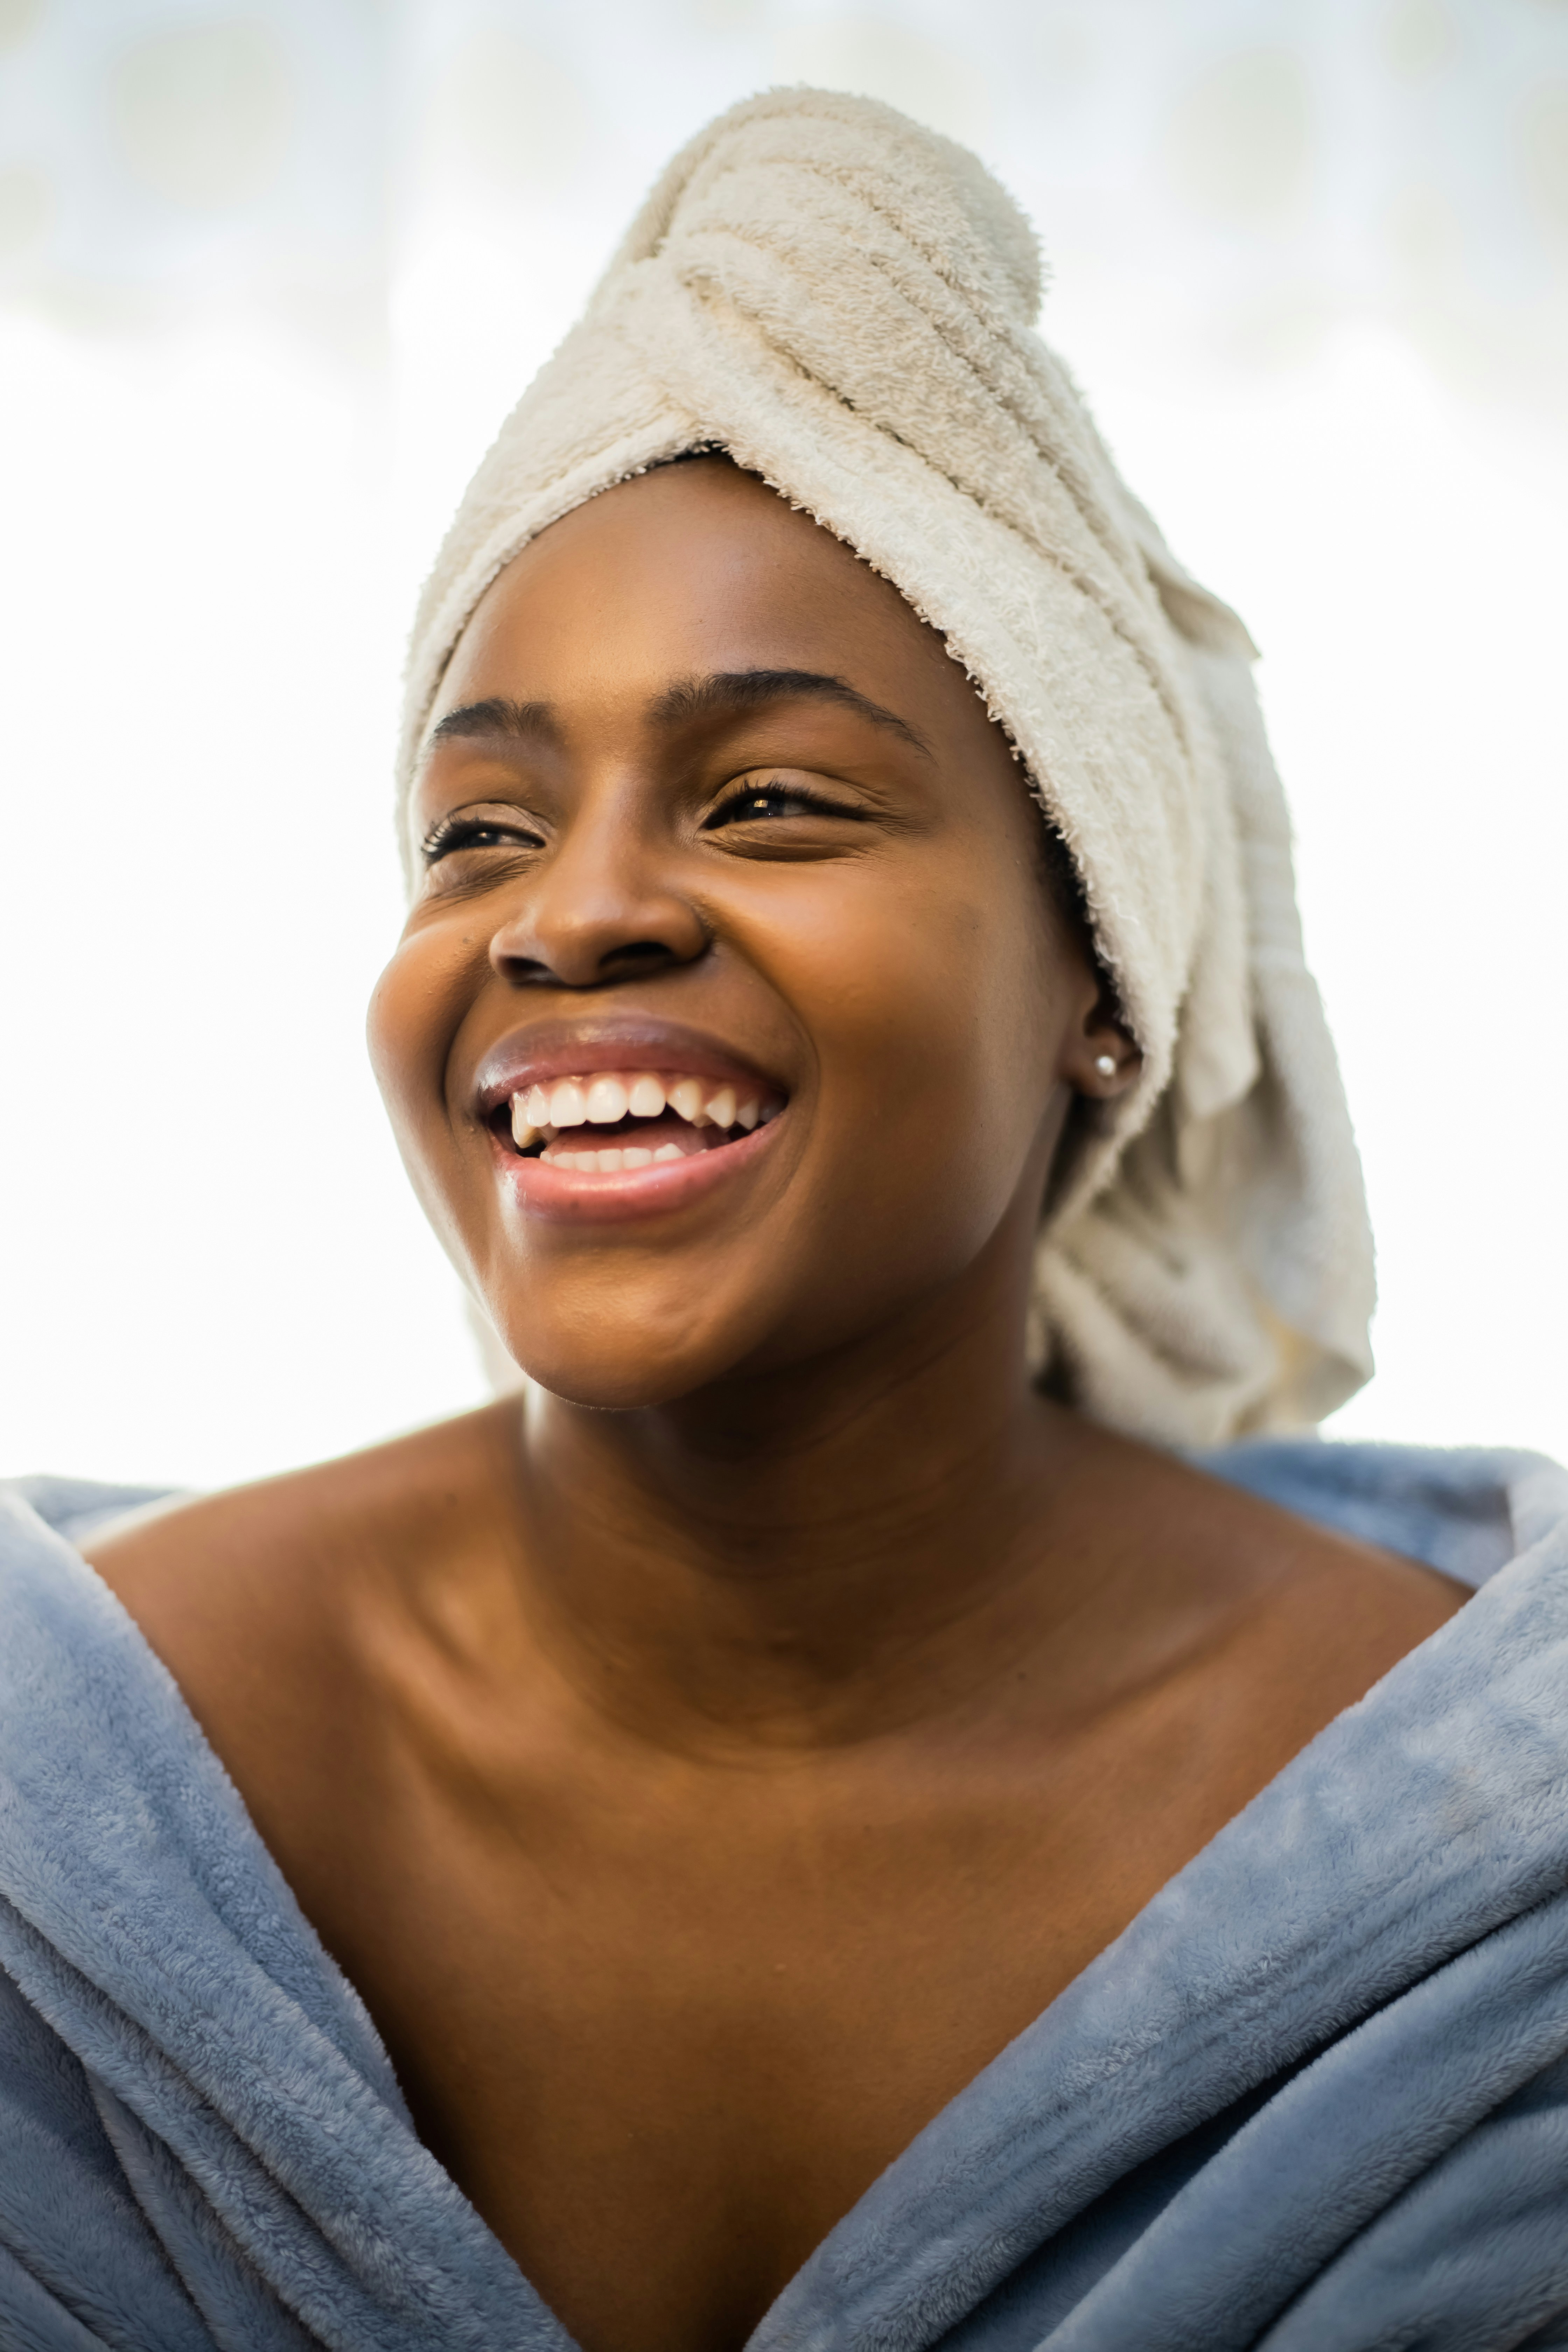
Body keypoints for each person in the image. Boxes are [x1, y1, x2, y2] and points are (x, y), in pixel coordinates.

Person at [3, 89, 1566, 2352]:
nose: (582, 911)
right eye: (480, 829)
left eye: (771, 799)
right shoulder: (67, 1801)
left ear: (1099, 987)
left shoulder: (1485, 1845)